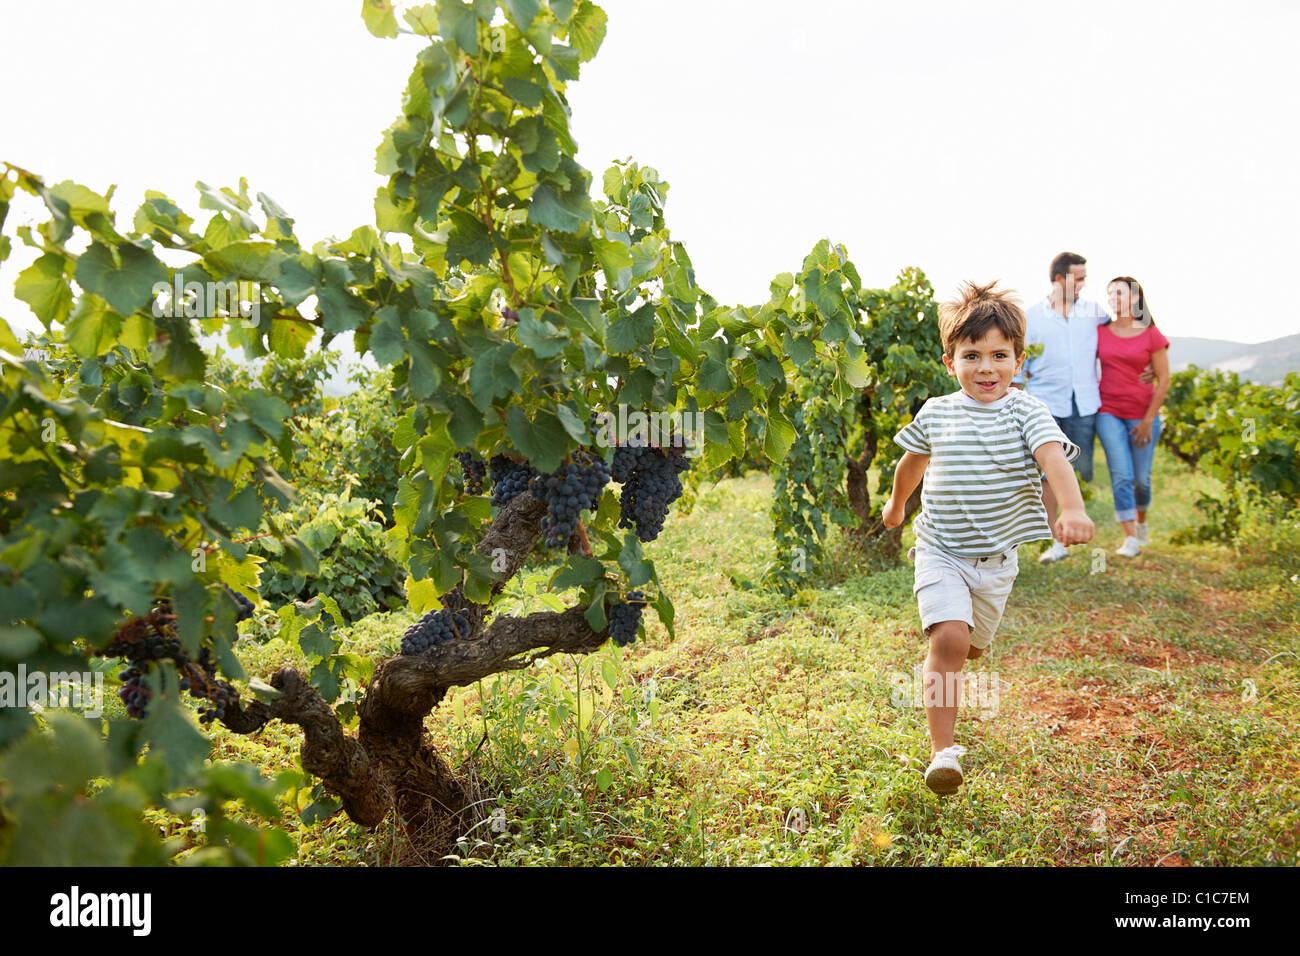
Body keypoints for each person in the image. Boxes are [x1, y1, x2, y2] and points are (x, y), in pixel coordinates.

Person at [883, 282, 1095, 795]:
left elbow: (1051, 461)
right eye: (971, 355)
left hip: (997, 563)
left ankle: (956, 655)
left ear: (1018, 361)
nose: (985, 367)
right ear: (949, 361)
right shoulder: (937, 411)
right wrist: (895, 504)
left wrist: (1072, 508)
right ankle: (942, 752)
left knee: (971, 649)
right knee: (949, 639)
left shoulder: (1027, 412)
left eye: (999, 355)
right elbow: (911, 463)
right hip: (940, 549)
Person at [1010, 252, 1111, 565]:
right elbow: (1017, 362)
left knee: (1077, 471)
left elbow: (1127, 332)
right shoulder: (1031, 317)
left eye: (1084, 278)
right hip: (1045, 405)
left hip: (1084, 403)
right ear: (1058, 279)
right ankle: (1055, 541)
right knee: (1045, 475)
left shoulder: (1095, 312)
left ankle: (1072, 527)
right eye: (1077, 278)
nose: (1082, 284)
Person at [1096, 277, 1170, 557]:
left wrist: (1149, 420)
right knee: (1122, 475)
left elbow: (1163, 381)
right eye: (1110, 293)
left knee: (1141, 479)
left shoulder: (1151, 334)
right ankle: (1129, 538)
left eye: (1119, 292)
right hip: (1108, 412)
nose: (1113, 297)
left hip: (1143, 416)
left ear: (1135, 298)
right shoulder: (1100, 331)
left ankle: (1141, 524)